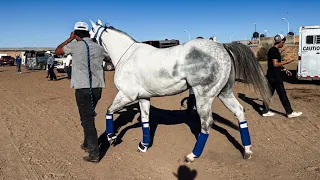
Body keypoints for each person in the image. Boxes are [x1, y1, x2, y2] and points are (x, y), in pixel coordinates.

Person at [55, 21, 108, 163]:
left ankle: (94, 153)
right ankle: (87, 143)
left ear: (76, 34)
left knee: (87, 119)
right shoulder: (99, 48)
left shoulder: (74, 45)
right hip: (97, 88)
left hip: (82, 88)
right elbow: (108, 59)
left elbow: (57, 50)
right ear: (88, 33)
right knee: (88, 116)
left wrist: (70, 38)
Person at [262, 34, 302, 118]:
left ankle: (265, 111)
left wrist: (284, 69)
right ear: (280, 42)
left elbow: (276, 64)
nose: (283, 44)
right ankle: (289, 112)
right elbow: (275, 64)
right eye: (283, 42)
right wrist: (288, 61)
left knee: (268, 94)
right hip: (275, 77)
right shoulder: (274, 51)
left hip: (271, 76)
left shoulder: (273, 50)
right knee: (282, 94)